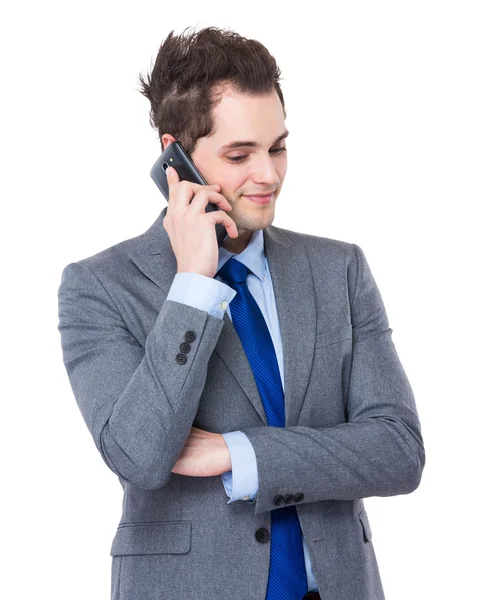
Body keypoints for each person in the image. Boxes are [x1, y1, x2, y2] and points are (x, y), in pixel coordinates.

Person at [57, 25, 425, 600]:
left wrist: (237, 452)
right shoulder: (100, 287)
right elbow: (137, 457)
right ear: (174, 155)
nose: (269, 175)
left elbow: (399, 450)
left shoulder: (339, 270)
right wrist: (191, 287)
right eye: (239, 154)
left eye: (277, 146)